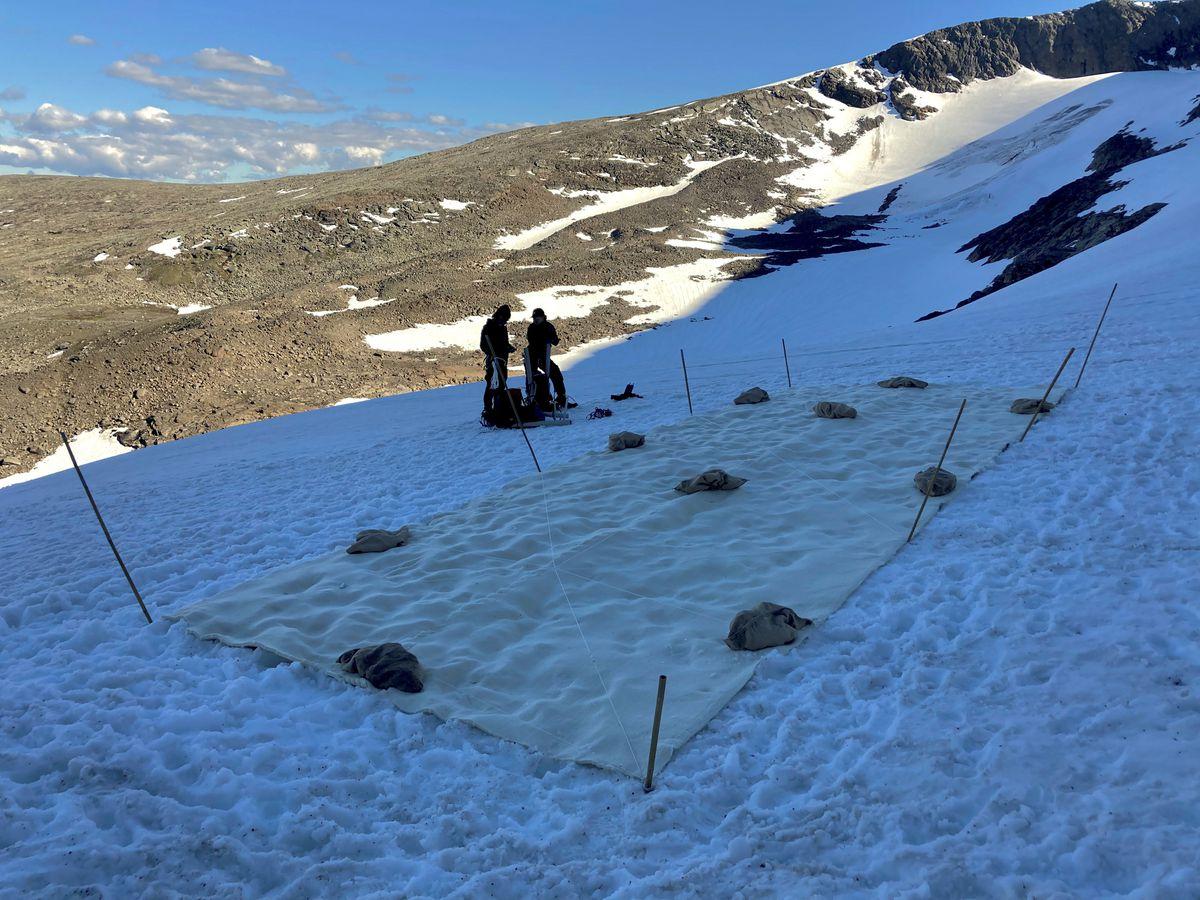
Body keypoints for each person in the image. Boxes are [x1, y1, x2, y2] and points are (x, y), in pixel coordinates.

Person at [526, 307, 567, 407]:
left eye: (537, 317)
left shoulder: (548, 326)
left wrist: (551, 339)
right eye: (534, 318)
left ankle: (561, 398)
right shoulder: (532, 328)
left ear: (542, 317)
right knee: (532, 377)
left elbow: (555, 340)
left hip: (543, 356)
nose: (535, 319)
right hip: (533, 356)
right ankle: (533, 399)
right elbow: (532, 341)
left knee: (555, 374)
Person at [480, 304, 516, 415]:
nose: (503, 320)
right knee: (492, 383)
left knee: (501, 383)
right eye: (502, 317)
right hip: (493, 361)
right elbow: (483, 345)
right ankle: (488, 409)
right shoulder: (489, 327)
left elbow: (503, 344)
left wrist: (508, 348)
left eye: (505, 319)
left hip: (502, 360)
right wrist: (492, 353)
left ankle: (498, 408)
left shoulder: (502, 328)